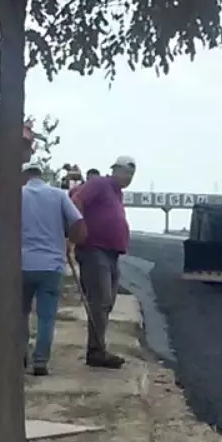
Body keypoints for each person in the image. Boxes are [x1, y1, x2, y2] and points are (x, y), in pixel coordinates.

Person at [20, 166, 85, 377]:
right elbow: (78, 222)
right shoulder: (58, 195)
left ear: (25, 176)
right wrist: (71, 241)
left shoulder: (17, 194)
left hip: (21, 264)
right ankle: (40, 362)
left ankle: (19, 357)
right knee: (46, 317)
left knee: (20, 314)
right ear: (43, 176)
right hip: (51, 265)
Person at [75, 155, 134, 368]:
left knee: (107, 303)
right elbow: (77, 200)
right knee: (100, 300)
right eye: (125, 172)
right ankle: (96, 352)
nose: (128, 177)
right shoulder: (99, 184)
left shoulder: (117, 193)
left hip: (111, 253)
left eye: (131, 174)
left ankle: (99, 346)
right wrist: (77, 229)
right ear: (115, 170)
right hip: (94, 249)